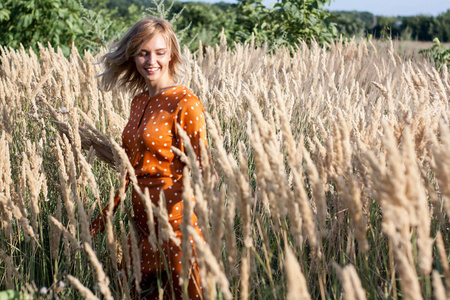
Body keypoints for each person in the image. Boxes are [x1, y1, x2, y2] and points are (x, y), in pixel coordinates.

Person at [91, 17, 207, 300]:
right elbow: (131, 165)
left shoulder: (185, 101)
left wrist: (210, 187)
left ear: (171, 55)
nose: (150, 60)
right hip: (140, 226)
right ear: (132, 55)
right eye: (143, 52)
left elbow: (203, 163)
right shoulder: (139, 101)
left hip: (174, 225)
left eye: (159, 52)